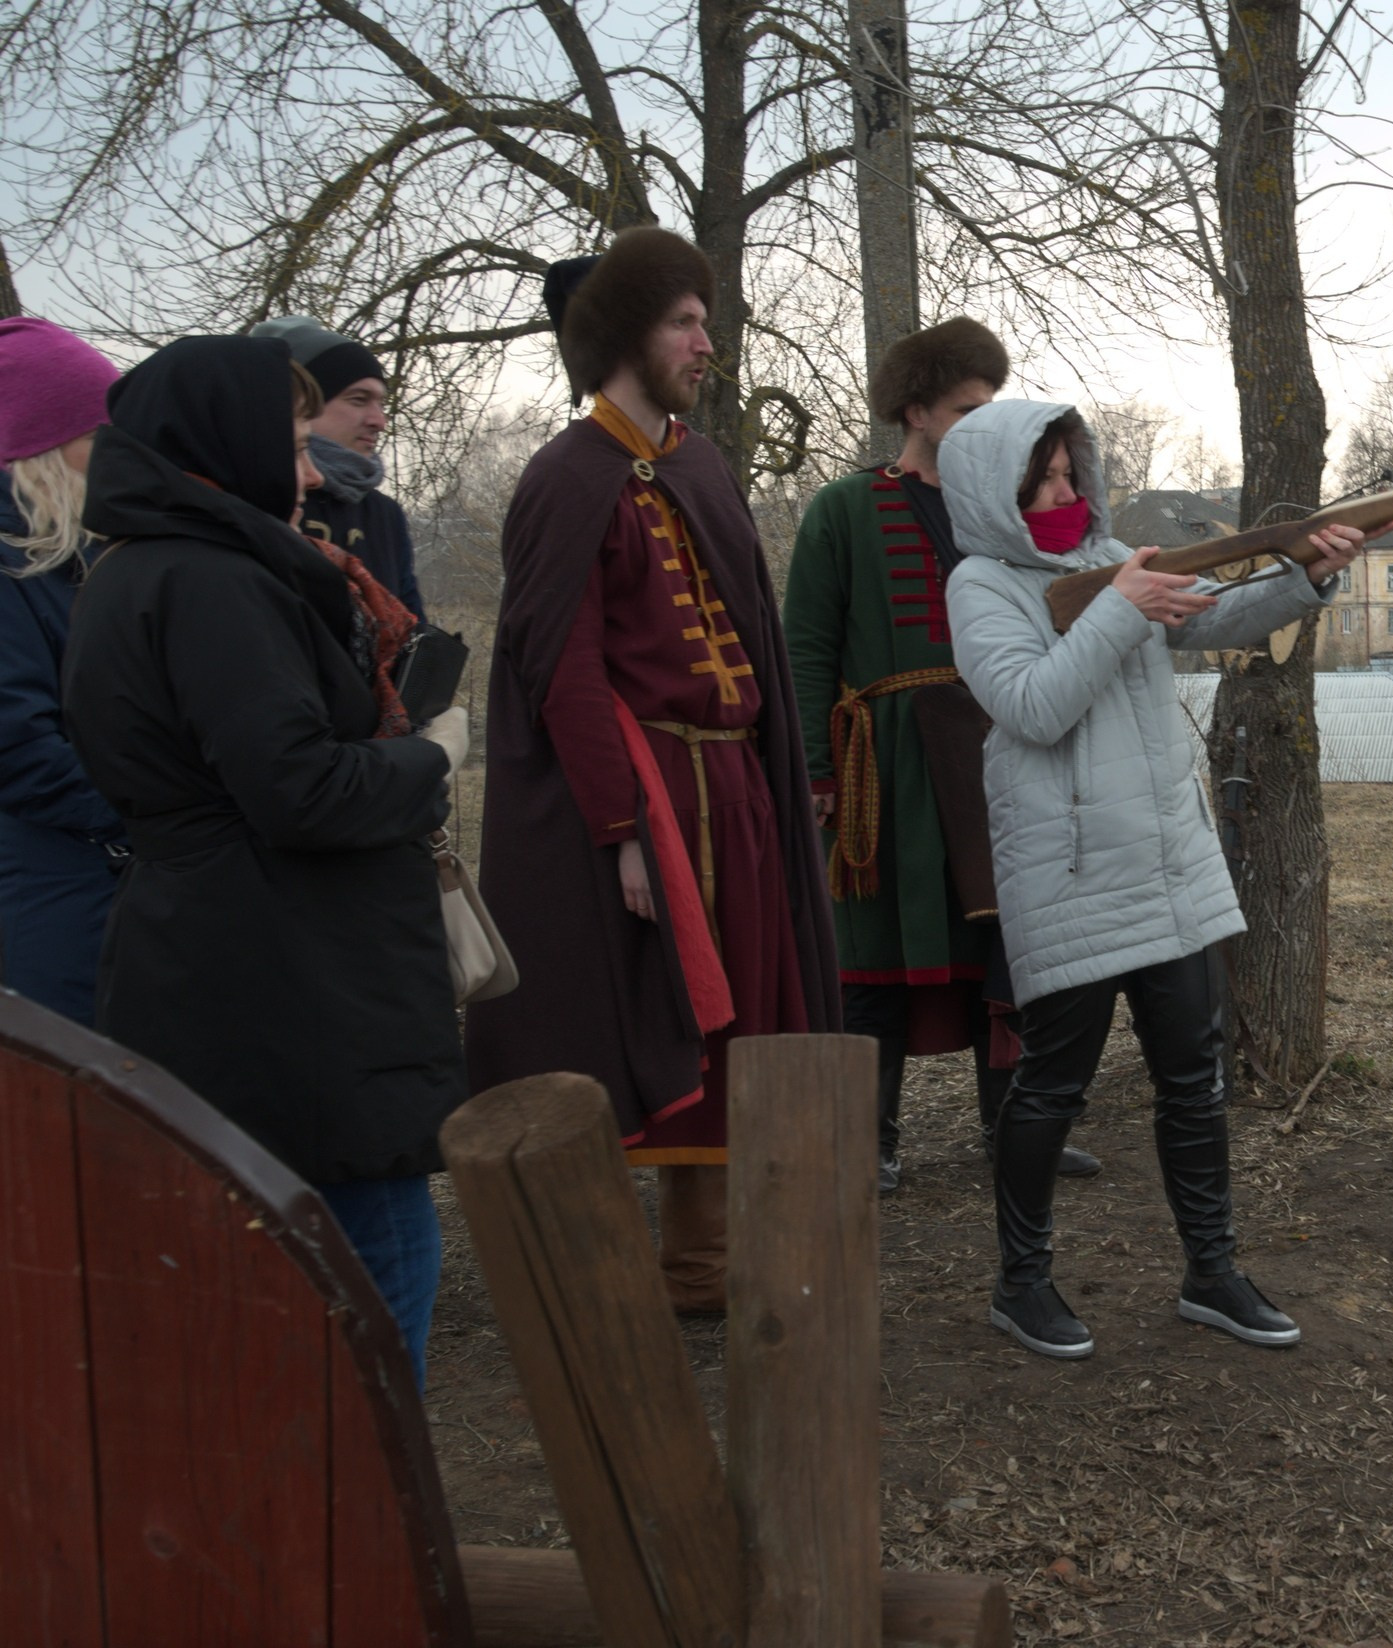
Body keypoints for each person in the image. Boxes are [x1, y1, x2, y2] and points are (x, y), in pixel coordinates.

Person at [58, 336, 471, 1383]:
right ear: (224, 443)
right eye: (290, 443)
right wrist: (430, 755)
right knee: (367, 1275)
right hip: (292, 975)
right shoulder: (211, 582)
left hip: (231, 956)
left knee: (264, 1305)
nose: (305, 471)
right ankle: (373, 1533)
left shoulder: (137, 568)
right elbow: (301, 792)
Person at [945, 400, 1380, 1359]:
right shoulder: (980, 584)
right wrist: (1116, 610)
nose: (1065, 493)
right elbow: (1030, 706)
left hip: (1168, 861)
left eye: (1068, 473)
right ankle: (1022, 1284)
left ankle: (1211, 1271)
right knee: (1053, 1088)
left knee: (1195, 1076)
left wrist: (1307, 572)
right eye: (1042, 481)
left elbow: (1216, 618)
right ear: (997, 494)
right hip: (1073, 873)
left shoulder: (1114, 561)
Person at [465, 227, 837, 1313]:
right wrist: (621, 826)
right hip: (651, 805)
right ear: (629, 331)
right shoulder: (564, 476)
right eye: (685, 322)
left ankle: (703, 1270)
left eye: (705, 321)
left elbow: (756, 641)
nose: (705, 343)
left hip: (738, 790)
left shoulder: (699, 463)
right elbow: (561, 671)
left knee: (744, 1025)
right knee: (641, 1017)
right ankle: (591, 1276)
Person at [784, 317, 1098, 1193]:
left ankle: (1014, 1132)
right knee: (872, 952)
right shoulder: (844, 508)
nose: (985, 425)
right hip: (884, 763)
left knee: (1015, 951)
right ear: (915, 410)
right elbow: (805, 647)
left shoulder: (999, 512)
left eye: (993, 407)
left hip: (999, 748)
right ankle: (866, 1140)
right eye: (967, 409)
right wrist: (815, 771)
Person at [0, 317, 127, 1024]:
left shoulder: (66, 557)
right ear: (39, 453)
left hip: (98, 881)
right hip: (48, 902)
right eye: (97, 441)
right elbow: (18, 751)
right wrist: (159, 809)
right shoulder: (10, 566)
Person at [247, 316, 424, 618]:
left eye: (381, 403)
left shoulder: (383, 515)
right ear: (300, 405)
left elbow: (412, 633)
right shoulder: (252, 502)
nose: (379, 421)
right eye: (358, 400)